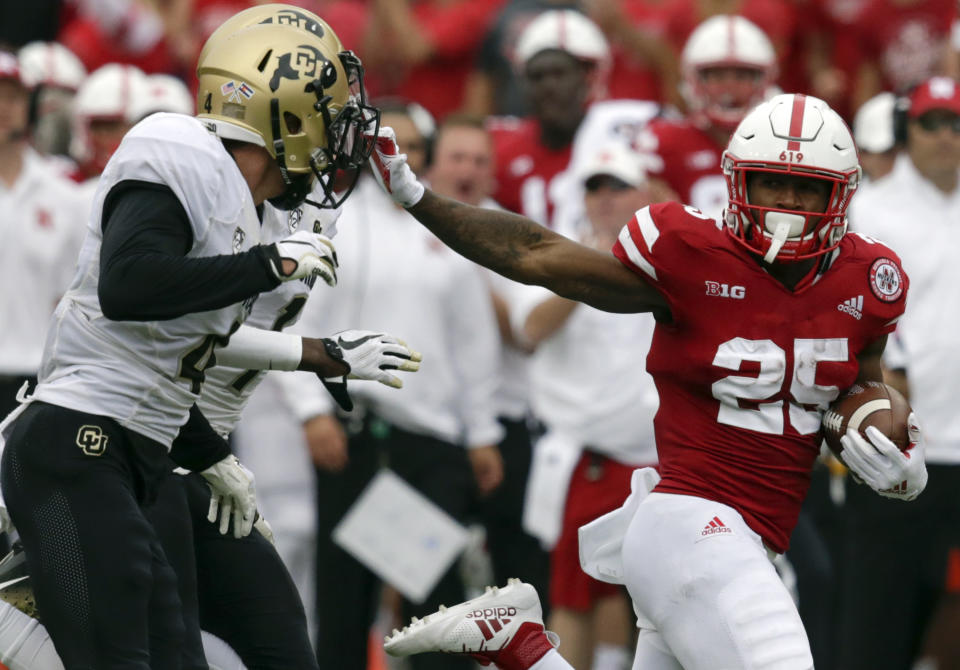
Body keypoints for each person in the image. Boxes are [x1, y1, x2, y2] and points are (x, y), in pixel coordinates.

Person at [368, 91, 928, 670]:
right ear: (740, 184)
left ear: (839, 193)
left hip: (754, 537)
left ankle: (520, 646)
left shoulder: (868, 280)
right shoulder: (691, 252)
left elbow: (859, 389)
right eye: (771, 183)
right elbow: (535, 254)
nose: (788, 202)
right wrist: (416, 195)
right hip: (691, 521)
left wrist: (896, 450)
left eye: (806, 187)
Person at [0, 16, 384, 668]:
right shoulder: (182, 150)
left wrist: (213, 459)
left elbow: (168, 365)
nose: (340, 133)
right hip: (78, 443)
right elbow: (128, 286)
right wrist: (272, 271)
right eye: (328, 113)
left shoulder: (239, 207)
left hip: (144, 446)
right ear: (279, 111)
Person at [278, 101, 504, 670]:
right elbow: (299, 323)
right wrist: (312, 412)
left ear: (422, 157)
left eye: (407, 147)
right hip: (354, 437)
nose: (392, 157)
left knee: (439, 604)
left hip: (433, 442)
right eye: (382, 144)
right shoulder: (336, 225)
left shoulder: (448, 224)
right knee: (343, 599)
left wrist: (481, 432)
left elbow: (475, 343)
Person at [512, 143, 658, 670]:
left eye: (618, 186)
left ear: (645, 194)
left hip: (651, 455)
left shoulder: (667, 260)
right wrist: (583, 270)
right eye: (595, 187)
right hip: (583, 454)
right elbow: (529, 330)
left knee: (645, 594)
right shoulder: (557, 252)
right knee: (575, 591)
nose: (605, 198)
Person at [845, 75, 960, 670]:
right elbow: (848, 309)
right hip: (898, 441)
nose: (944, 136)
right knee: (879, 612)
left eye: (955, 124)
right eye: (930, 123)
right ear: (906, 131)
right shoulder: (871, 209)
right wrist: (887, 373)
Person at [423, 113, 551, 605]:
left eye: (479, 161)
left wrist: (468, 268)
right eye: (457, 158)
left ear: (494, 174)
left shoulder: (511, 234)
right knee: (426, 573)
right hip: (430, 423)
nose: (467, 171)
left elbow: (527, 335)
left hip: (504, 422)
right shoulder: (400, 227)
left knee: (515, 570)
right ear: (431, 167)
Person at [639, 14, 777, 221]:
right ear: (693, 80)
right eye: (717, 76)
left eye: (742, 76)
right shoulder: (663, 142)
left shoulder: (780, 145)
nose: (729, 86)